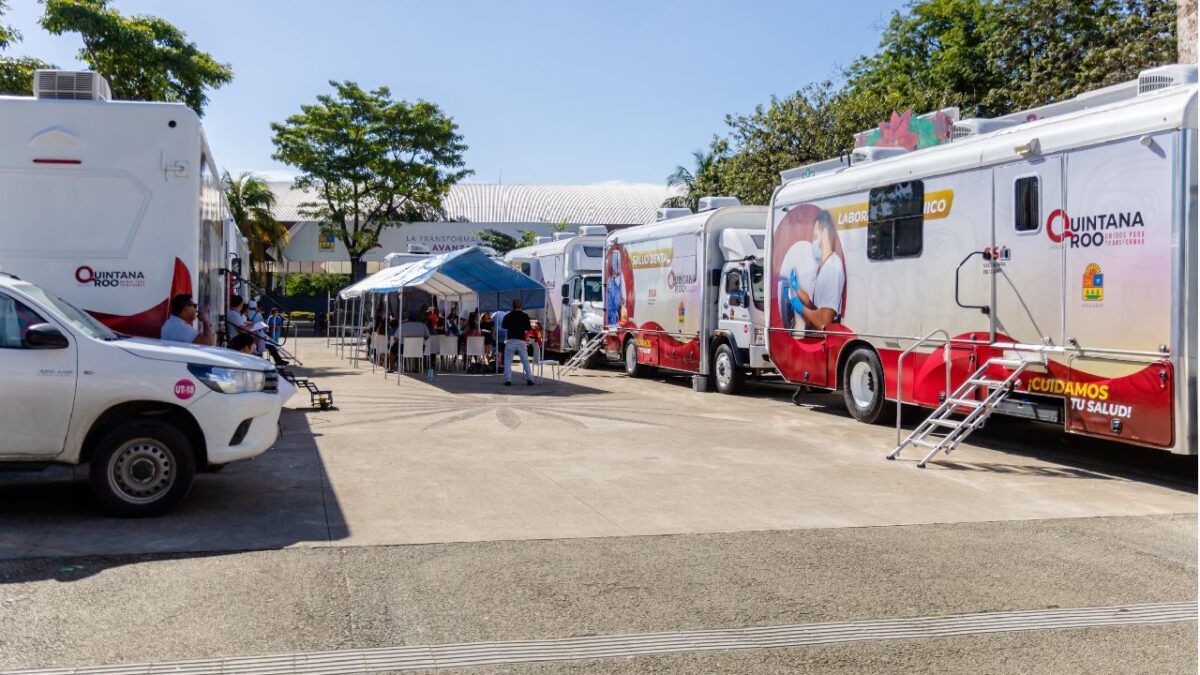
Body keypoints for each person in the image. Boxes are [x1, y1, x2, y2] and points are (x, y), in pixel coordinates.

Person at [792, 210, 845, 331]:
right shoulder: (821, 268)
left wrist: (799, 307)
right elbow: (814, 305)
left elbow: (823, 321)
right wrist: (797, 289)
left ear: (825, 231)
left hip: (823, 342)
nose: (813, 242)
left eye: (815, 237)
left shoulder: (832, 268)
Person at [227, 295, 288, 366]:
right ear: (240, 304)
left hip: (241, 337)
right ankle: (261, 362)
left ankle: (274, 360)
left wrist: (251, 326)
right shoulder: (234, 314)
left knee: (265, 343)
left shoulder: (235, 314)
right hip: (239, 339)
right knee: (259, 344)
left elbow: (242, 328)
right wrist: (252, 327)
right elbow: (242, 330)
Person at [501, 299, 534, 386]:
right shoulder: (525, 316)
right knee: (525, 360)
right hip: (521, 340)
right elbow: (528, 328)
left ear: (513, 306)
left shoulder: (508, 315)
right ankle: (529, 379)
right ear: (520, 306)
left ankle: (508, 380)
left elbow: (503, 325)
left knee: (508, 361)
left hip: (510, 340)